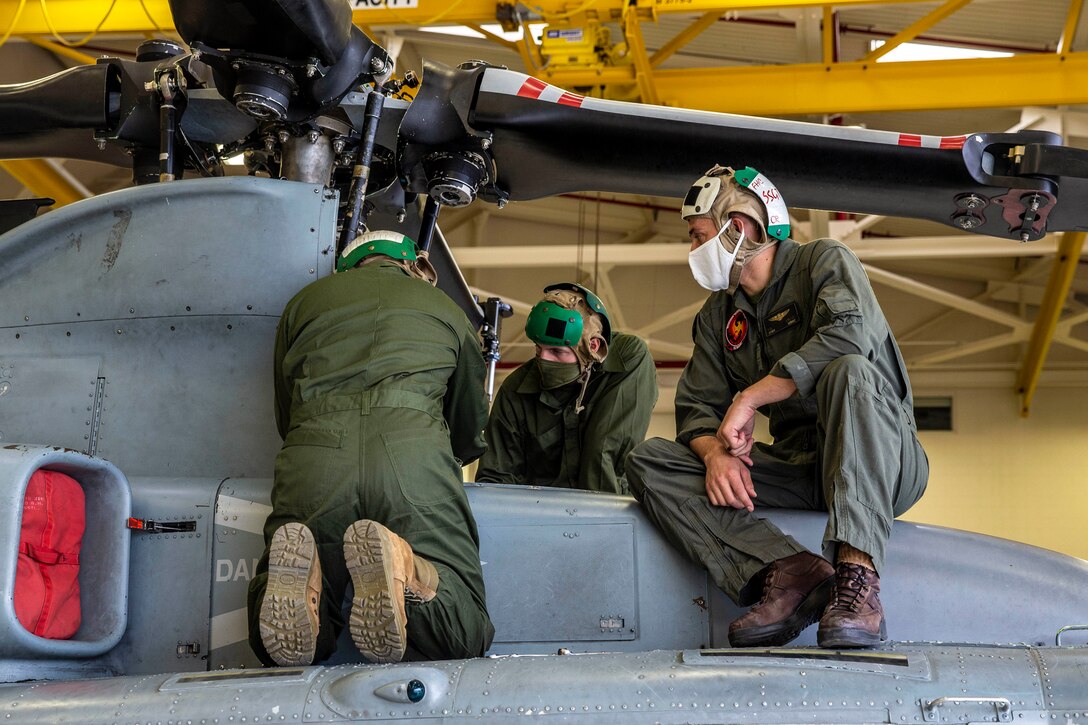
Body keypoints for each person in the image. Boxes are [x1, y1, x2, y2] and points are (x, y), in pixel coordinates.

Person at [626, 165, 928, 648]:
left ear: (739, 228)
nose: (692, 250)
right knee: (649, 460)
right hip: (804, 467)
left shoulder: (822, 261)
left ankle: (858, 579)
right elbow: (697, 409)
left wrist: (751, 395)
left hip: (885, 461)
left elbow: (849, 334)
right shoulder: (717, 317)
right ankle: (790, 571)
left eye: (697, 235)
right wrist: (714, 455)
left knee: (849, 370)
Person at [248, 230, 494, 667]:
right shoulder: (446, 310)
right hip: (412, 456)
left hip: (314, 454)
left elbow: (286, 413)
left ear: (347, 266)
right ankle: (411, 571)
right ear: (414, 265)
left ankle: (309, 586)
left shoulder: (304, 304)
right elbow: (469, 429)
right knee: (466, 631)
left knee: (284, 634)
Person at [476, 282, 657, 494]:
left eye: (556, 351)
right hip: (539, 516)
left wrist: (599, 522)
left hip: (610, 509)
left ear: (593, 346)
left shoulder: (627, 360)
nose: (543, 360)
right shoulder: (516, 390)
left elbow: (605, 450)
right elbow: (496, 477)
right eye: (538, 348)